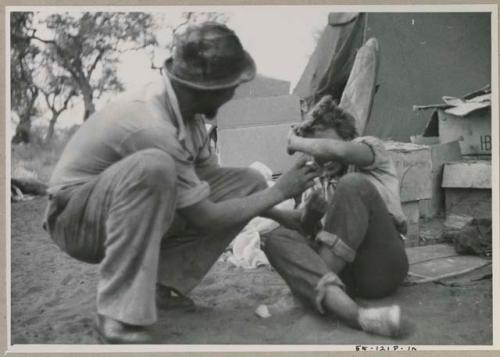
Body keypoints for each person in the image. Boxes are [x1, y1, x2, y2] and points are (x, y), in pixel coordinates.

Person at [43, 22, 319, 344]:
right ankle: (116, 315)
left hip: (113, 206)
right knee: (154, 167)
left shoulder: (191, 119)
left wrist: (283, 213)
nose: (234, 92)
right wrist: (281, 190)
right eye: (232, 85)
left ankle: (160, 286)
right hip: (74, 217)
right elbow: (206, 216)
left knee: (247, 180)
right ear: (208, 88)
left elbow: (215, 193)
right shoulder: (150, 122)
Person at [262, 95, 410, 337]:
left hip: (380, 267)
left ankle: (308, 293)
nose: (322, 156)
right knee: (276, 237)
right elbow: (307, 228)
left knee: (352, 185)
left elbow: (337, 151)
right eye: (315, 150)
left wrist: (294, 141)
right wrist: (309, 216)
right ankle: (353, 312)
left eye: (322, 145)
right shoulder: (317, 180)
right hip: (343, 280)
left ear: (347, 137)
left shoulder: (369, 150)